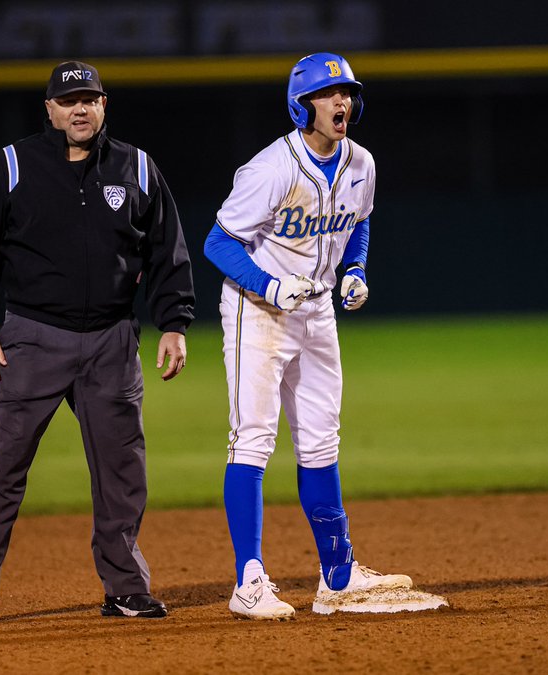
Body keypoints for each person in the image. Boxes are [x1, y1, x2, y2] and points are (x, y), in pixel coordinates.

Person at [0, 61, 195, 621]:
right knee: (6, 466)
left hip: (112, 339)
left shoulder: (137, 167)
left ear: (105, 105)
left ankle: (125, 587)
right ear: (50, 110)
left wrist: (175, 323)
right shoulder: (13, 165)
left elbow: (167, 252)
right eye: (68, 101)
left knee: (121, 472)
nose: (79, 109)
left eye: (90, 98)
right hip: (34, 337)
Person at [204, 53, 440, 620]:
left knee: (320, 440)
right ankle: (249, 582)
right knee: (253, 438)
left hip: (316, 313)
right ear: (301, 104)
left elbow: (357, 224)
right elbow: (218, 241)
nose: (343, 102)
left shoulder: (361, 162)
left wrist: (355, 271)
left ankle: (337, 573)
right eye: (330, 93)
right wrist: (267, 285)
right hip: (255, 311)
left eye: (348, 92)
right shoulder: (271, 168)